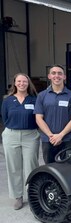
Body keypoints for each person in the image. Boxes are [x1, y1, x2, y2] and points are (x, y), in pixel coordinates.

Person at [1, 73, 40, 210]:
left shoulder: (34, 100)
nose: (22, 84)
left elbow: (39, 118)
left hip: (30, 135)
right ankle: (18, 196)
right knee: (14, 167)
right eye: (19, 81)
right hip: (11, 135)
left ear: (28, 84)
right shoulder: (7, 100)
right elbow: (5, 118)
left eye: (25, 81)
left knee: (31, 166)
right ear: (15, 83)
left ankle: (33, 195)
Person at [34, 65, 71, 164]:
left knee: (69, 168)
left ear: (64, 77)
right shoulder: (41, 96)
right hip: (48, 139)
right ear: (49, 76)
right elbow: (38, 118)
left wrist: (61, 135)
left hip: (67, 139)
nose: (57, 76)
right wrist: (51, 135)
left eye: (60, 73)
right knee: (50, 168)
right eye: (53, 73)